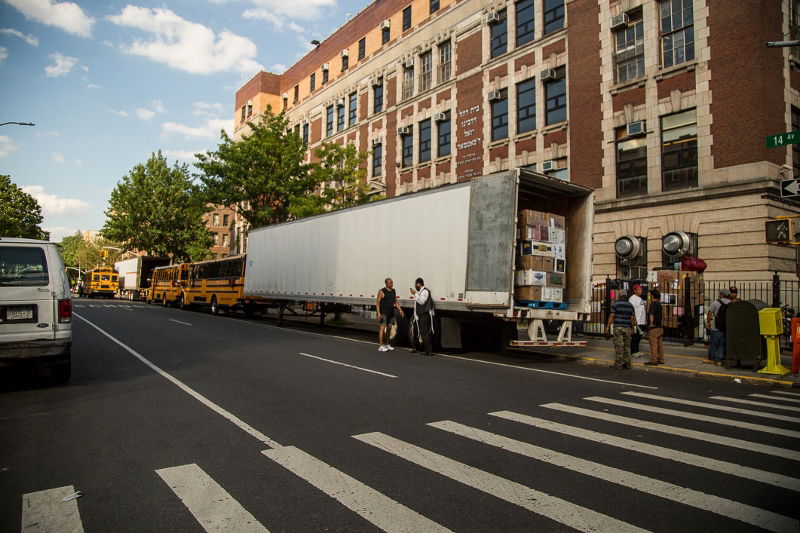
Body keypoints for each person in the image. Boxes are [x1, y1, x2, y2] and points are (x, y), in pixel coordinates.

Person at [605, 290, 637, 369]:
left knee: (619, 346)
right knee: (627, 346)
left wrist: (608, 327)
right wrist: (633, 328)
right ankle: (627, 363)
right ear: (626, 296)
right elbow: (633, 318)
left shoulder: (615, 305)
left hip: (618, 327)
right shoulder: (630, 305)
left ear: (619, 296)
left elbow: (612, 316)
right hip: (627, 328)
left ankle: (619, 364)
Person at [376, 277, 404, 352]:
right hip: (383, 313)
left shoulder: (393, 291)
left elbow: (395, 301)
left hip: (391, 313)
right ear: (386, 283)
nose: (392, 284)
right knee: (382, 329)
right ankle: (381, 346)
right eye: (390, 282)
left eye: (392, 282)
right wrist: (378, 313)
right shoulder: (381, 291)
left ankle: (387, 344)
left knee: (389, 329)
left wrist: (400, 309)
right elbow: (377, 303)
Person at [705, 288, 731, 366]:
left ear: (721, 294)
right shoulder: (731, 303)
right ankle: (719, 359)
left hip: (716, 327)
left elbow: (710, 313)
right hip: (725, 327)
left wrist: (708, 322)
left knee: (714, 344)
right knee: (722, 344)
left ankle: (712, 358)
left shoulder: (715, 302)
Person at [410, 277, 434, 355]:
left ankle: (428, 351)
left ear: (418, 284)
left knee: (424, 333)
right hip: (418, 315)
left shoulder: (425, 291)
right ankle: (414, 347)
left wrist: (415, 294)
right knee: (416, 331)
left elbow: (421, 301)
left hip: (424, 315)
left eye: (415, 284)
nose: (415, 286)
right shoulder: (420, 292)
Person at [645, 289, 664, 366]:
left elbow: (651, 315)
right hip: (660, 327)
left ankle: (654, 359)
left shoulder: (652, 304)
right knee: (660, 344)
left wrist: (651, 324)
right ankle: (661, 359)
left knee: (653, 344)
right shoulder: (659, 304)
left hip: (654, 327)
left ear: (652, 296)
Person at [628, 284, 647, 357]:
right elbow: (632, 310)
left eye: (641, 289)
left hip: (641, 321)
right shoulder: (632, 298)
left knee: (639, 337)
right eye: (639, 289)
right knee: (635, 337)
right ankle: (633, 351)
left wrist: (644, 320)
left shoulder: (640, 298)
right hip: (636, 321)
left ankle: (637, 350)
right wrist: (633, 320)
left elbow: (642, 310)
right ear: (634, 290)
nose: (641, 291)